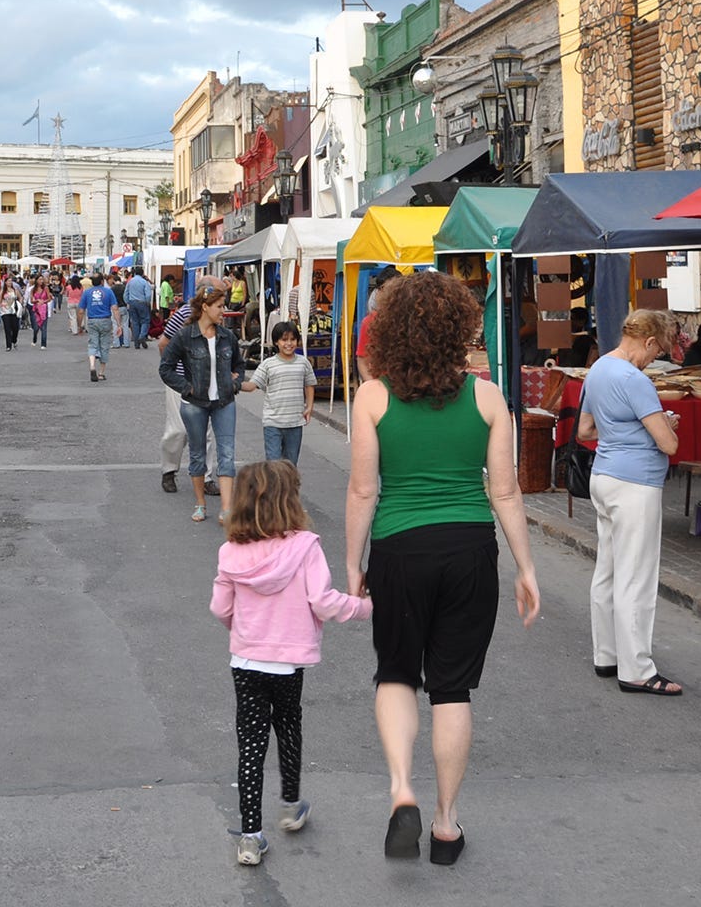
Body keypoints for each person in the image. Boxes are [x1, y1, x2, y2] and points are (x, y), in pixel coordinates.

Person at [343, 272, 540, 865]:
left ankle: (402, 788)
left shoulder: (372, 397)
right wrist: (526, 567)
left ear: (391, 331)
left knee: (397, 674)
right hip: (470, 550)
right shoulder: (486, 398)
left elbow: (361, 490)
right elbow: (505, 492)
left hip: (400, 550)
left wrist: (351, 563)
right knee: (452, 689)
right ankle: (447, 823)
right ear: (460, 330)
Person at [211, 459, 371, 867]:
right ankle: (290, 804)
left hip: (246, 661)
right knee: (288, 725)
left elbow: (220, 608)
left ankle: (250, 837)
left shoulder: (231, 552)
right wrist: (365, 607)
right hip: (287, 664)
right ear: (290, 499)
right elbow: (322, 601)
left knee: (250, 747)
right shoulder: (305, 547)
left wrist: (243, 627)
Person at [576, 309, 683, 696]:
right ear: (650, 340)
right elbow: (667, 444)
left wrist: (622, 429)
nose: (654, 359)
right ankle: (637, 668)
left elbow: (586, 429)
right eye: (657, 352)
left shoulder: (600, 368)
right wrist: (664, 424)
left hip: (603, 475)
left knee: (607, 569)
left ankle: (606, 654)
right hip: (635, 481)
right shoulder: (634, 379)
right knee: (636, 577)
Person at [160, 281, 254, 521]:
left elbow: (239, 365)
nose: (224, 311)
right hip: (195, 404)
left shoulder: (227, 336)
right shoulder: (185, 336)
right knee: (198, 454)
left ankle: (226, 508)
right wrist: (186, 388)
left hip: (224, 402)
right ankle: (200, 504)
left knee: (226, 452)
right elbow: (166, 368)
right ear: (205, 307)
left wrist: (235, 383)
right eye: (219, 306)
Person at [245, 321, 316, 465]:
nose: (288, 343)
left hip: (295, 423)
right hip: (273, 423)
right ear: (276, 342)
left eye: (292, 339)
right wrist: (233, 383)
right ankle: (275, 488)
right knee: (274, 465)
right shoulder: (268, 364)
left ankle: (288, 489)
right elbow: (252, 385)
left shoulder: (303, 363)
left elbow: (309, 384)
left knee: (290, 466)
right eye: (284, 339)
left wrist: (309, 406)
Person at [80, 273, 117, 381]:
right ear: (102, 281)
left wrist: (79, 325)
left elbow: (81, 310)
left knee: (92, 344)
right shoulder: (109, 291)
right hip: (105, 320)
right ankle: (101, 373)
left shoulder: (87, 293)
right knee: (104, 345)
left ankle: (92, 366)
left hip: (92, 320)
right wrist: (119, 324)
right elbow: (115, 308)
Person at [125, 268, 154, 349]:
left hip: (132, 303)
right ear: (142, 273)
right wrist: (147, 302)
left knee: (135, 322)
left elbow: (126, 293)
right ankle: (142, 336)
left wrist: (128, 302)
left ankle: (136, 343)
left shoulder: (130, 282)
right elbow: (148, 294)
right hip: (142, 303)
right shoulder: (144, 282)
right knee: (145, 320)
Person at [0, 282, 22, 351]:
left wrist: (19, 305)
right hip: (5, 311)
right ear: (5, 283)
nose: (9, 283)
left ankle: (14, 340)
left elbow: (20, 298)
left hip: (14, 311)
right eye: (8, 281)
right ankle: (8, 345)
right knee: (7, 328)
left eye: (10, 281)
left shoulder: (15, 290)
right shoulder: (2, 291)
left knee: (15, 328)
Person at [29, 277, 53, 349]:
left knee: (44, 327)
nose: (41, 281)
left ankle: (43, 344)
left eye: (42, 279)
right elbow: (31, 300)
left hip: (43, 309)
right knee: (36, 327)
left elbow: (49, 298)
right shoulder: (33, 290)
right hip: (36, 309)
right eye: (39, 279)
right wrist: (36, 301)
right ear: (36, 280)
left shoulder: (46, 288)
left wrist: (43, 301)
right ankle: (34, 338)